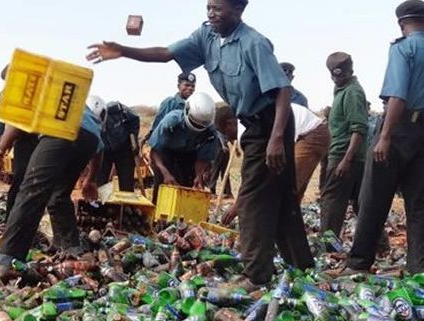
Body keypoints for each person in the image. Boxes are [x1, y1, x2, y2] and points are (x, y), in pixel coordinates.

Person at [87, 0, 314, 291]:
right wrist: (123, 51)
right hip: (254, 122)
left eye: (218, 8)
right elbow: (166, 53)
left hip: (272, 123)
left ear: (238, 11)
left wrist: (277, 139)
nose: (211, 13)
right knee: (282, 195)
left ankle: (256, 275)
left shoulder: (253, 43)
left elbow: (283, 90)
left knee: (254, 198)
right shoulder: (206, 37)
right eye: (208, 6)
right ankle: (301, 264)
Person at [0, 106, 105, 282]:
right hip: (89, 138)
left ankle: (8, 258)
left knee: (32, 189)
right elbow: (100, 148)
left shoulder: (26, 84)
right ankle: (70, 247)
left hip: (59, 129)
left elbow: (15, 125)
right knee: (59, 195)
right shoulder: (77, 100)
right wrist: (90, 180)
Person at [345, 0, 424, 275]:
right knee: (418, 205)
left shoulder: (404, 48)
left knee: (374, 198)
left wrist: (385, 136)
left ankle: (359, 264)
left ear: (402, 25)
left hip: (399, 128)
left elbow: (398, 94)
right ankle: (418, 270)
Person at [222, 103, 331, 223]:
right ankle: (289, 229)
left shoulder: (244, 132)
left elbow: (253, 174)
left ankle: (278, 231)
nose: (226, 138)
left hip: (311, 133)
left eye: (223, 132)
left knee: (285, 188)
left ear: (230, 123)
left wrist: (238, 205)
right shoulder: (248, 120)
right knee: (291, 191)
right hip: (307, 132)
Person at [0, 65, 40, 220]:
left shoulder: (7, 96)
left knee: (21, 184)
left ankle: (13, 222)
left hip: (27, 143)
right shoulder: (39, 91)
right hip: (46, 143)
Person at [319, 52, 368, 237]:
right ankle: (380, 245)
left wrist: (346, 160)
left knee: (331, 202)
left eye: (341, 75)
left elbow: (359, 129)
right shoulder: (342, 90)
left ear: (350, 71)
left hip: (344, 155)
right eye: (333, 75)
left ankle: (327, 246)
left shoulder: (352, 92)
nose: (336, 79)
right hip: (349, 156)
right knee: (360, 203)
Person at [149, 92, 217, 202]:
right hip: (165, 155)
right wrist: (165, 173)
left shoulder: (210, 133)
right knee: (162, 190)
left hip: (189, 157)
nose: (196, 128)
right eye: (194, 123)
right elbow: (155, 151)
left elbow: (202, 158)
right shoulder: (170, 122)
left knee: (187, 191)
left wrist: (199, 175)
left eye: (200, 126)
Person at [96, 99, 141, 191]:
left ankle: (127, 204)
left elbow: (135, 120)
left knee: (126, 180)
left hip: (124, 147)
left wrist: (134, 140)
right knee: (99, 180)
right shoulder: (90, 119)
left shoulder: (118, 111)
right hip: (104, 150)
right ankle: (98, 203)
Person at [149, 72, 197, 136]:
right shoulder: (170, 102)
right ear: (178, 86)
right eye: (187, 85)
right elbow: (158, 124)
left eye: (192, 86)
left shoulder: (194, 106)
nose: (190, 88)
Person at [208, 103, 238, 197]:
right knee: (216, 169)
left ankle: (227, 192)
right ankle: (212, 191)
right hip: (218, 146)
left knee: (225, 170)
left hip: (224, 148)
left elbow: (230, 135)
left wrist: (235, 148)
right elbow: (218, 133)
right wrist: (223, 146)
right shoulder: (216, 122)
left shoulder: (227, 119)